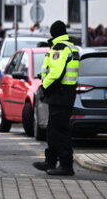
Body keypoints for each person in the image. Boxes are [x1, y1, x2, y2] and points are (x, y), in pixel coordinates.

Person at [33, 20, 79, 176]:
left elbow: (56, 73)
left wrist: (44, 85)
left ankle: (66, 166)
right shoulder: (71, 47)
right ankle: (50, 162)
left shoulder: (59, 48)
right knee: (53, 130)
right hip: (64, 93)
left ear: (53, 33)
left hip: (60, 94)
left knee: (60, 131)